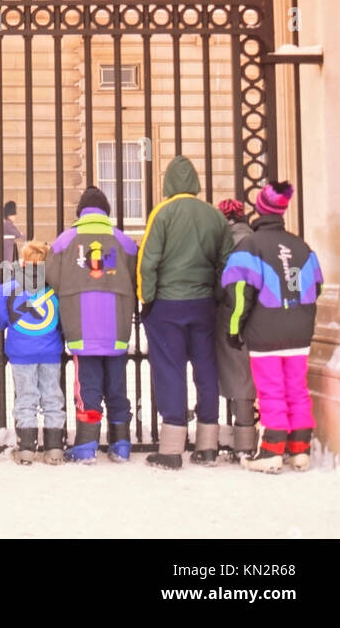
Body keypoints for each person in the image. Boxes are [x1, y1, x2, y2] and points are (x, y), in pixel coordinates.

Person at [220, 182, 324, 473]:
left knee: (271, 390)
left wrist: (234, 328)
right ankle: (300, 448)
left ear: (260, 210)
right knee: (297, 388)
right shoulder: (301, 245)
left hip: (265, 332)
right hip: (300, 332)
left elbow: (239, 293)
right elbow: (316, 285)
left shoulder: (250, 245)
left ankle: (272, 450)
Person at [137, 155, 233, 469]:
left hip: (167, 304)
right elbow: (226, 264)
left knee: (170, 370)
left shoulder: (162, 213)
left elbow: (147, 262)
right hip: (203, 302)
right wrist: (216, 295)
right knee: (205, 369)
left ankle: (172, 447)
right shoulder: (214, 216)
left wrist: (146, 299)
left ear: (168, 183)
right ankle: (207, 444)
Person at [46, 187, 139, 464]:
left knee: (87, 386)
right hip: (117, 325)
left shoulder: (64, 241)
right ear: (106, 211)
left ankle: (86, 445)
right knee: (117, 385)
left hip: (81, 326)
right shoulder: (123, 241)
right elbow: (136, 275)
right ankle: (121, 444)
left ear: (81, 212)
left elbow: (52, 277)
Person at [0, 239, 64, 464]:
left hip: (21, 353)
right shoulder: (55, 288)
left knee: (26, 398)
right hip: (50, 351)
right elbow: (65, 318)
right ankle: (55, 449)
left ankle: (26, 450)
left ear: (24, 262)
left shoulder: (10, 287)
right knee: (52, 396)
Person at [215, 198, 258, 459]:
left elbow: (231, 288)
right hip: (260, 318)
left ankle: (242, 441)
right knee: (247, 376)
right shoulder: (254, 239)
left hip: (232, 316)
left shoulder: (227, 244)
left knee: (237, 377)